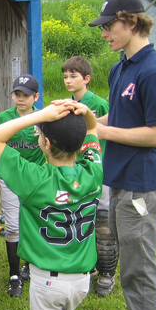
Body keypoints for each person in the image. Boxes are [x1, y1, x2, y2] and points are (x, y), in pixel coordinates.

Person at [0, 99, 103, 310]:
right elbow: (92, 131)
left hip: (48, 282)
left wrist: (40, 115)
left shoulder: (35, 178)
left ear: (46, 143)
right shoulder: (93, 172)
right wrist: (85, 112)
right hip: (81, 280)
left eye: (40, 135)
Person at [87, 0, 156, 310]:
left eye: (109, 26)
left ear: (132, 22)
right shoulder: (120, 67)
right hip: (120, 177)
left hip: (143, 184)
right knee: (130, 256)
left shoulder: (153, 72)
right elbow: (119, 118)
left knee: (140, 264)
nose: (104, 33)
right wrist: (88, 120)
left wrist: (103, 133)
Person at [62, 56, 116, 297]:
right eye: (65, 76)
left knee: (104, 224)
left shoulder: (99, 104)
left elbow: (111, 133)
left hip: (99, 171)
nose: (68, 80)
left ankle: (107, 273)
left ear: (87, 79)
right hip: (78, 172)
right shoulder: (67, 104)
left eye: (73, 76)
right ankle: (89, 266)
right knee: (83, 220)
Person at [0, 74, 45, 297]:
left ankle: (29, 264)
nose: (20, 99)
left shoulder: (42, 117)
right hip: (10, 177)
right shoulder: (5, 117)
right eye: (17, 94)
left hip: (34, 179)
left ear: (35, 97)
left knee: (33, 223)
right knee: (12, 226)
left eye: (25, 95)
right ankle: (14, 275)